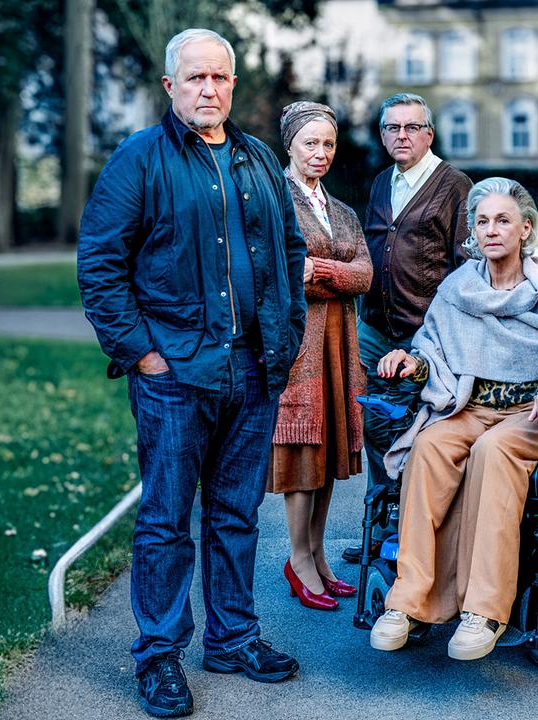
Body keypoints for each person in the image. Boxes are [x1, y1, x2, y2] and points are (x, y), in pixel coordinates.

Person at [76, 28, 307, 719]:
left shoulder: (258, 158)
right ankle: (158, 657)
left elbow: (290, 249)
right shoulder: (139, 160)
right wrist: (143, 353)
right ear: (170, 86)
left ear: (233, 86)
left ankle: (233, 638)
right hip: (175, 375)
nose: (209, 89)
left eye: (220, 78)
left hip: (253, 371)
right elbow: (100, 265)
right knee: (167, 521)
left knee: (237, 514)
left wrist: (287, 337)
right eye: (196, 78)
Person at [365, 177, 538, 661]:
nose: (491, 230)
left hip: (536, 412)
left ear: (526, 228)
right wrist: (412, 363)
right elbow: (432, 350)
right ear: (473, 232)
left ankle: (483, 611)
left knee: (493, 451)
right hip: (472, 404)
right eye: (482, 221)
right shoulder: (458, 288)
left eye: (503, 220)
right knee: (432, 445)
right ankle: (409, 601)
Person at [343, 92, 472, 565]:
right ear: (382, 134)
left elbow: (466, 266)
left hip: (425, 335)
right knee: (377, 425)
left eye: (412, 127)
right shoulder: (381, 182)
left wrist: (449, 332)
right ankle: (383, 529)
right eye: (392, 128)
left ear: (429, 134)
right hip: (376, 327)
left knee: (427, 432)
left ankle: (427, 537)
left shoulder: (454, 184)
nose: (402, 135)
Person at [267, 101, 372, 611]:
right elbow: (281, 272)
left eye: (328, 143)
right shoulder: (275, 202)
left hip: (340, 345)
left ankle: (318, 553)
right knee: (305, 452)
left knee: (330, 453)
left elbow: (366, 276)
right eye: (310, 143)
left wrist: (322, 271)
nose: (321, 153)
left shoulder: (344, 212)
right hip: (301, 348)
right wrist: (334, 273)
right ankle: (297, 558)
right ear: (289, 145)